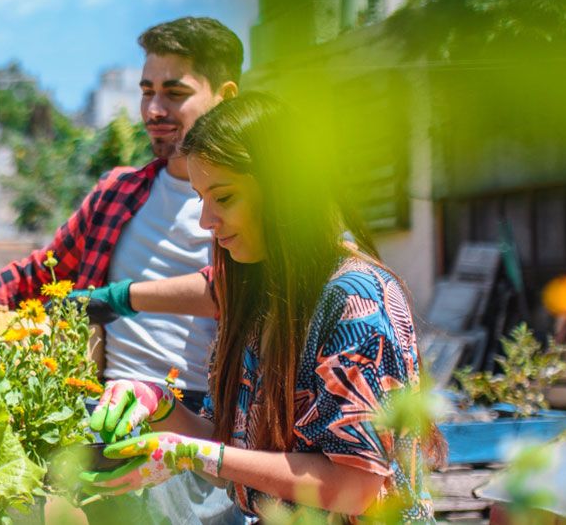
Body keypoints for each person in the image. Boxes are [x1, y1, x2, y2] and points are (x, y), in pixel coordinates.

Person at [0, 17, 245, 523]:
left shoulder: (245, 201)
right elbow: (34, 277)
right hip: (101, 413)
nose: (153, 110)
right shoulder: (118, 192)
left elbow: (242, 290)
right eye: (147, 91)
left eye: (174, 93)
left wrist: (120, 296)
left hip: (197, 424)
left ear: (226, 95)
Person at [83, 93, 433, 521]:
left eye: (224, 198)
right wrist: (158, 404)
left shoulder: (354, 301)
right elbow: (233, 453)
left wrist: (190, 454)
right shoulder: (257, 297)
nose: (206, 221)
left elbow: (356, 487)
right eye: (201, 198)